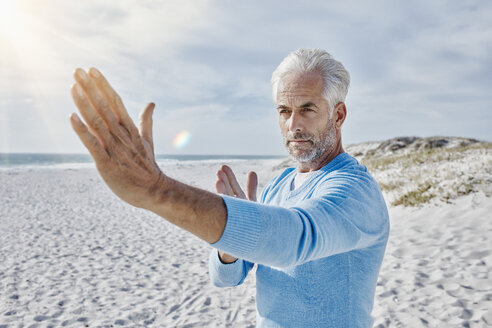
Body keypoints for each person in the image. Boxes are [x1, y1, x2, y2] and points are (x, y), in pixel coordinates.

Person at [69, 48, 389, 327]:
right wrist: (232, 241)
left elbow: (294, 240)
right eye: (284, 111)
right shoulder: (280, 184)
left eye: (307, 109)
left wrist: (158, 191)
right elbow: (226, 277)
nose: (293, 124)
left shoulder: (353, 191)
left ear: (339, 114)